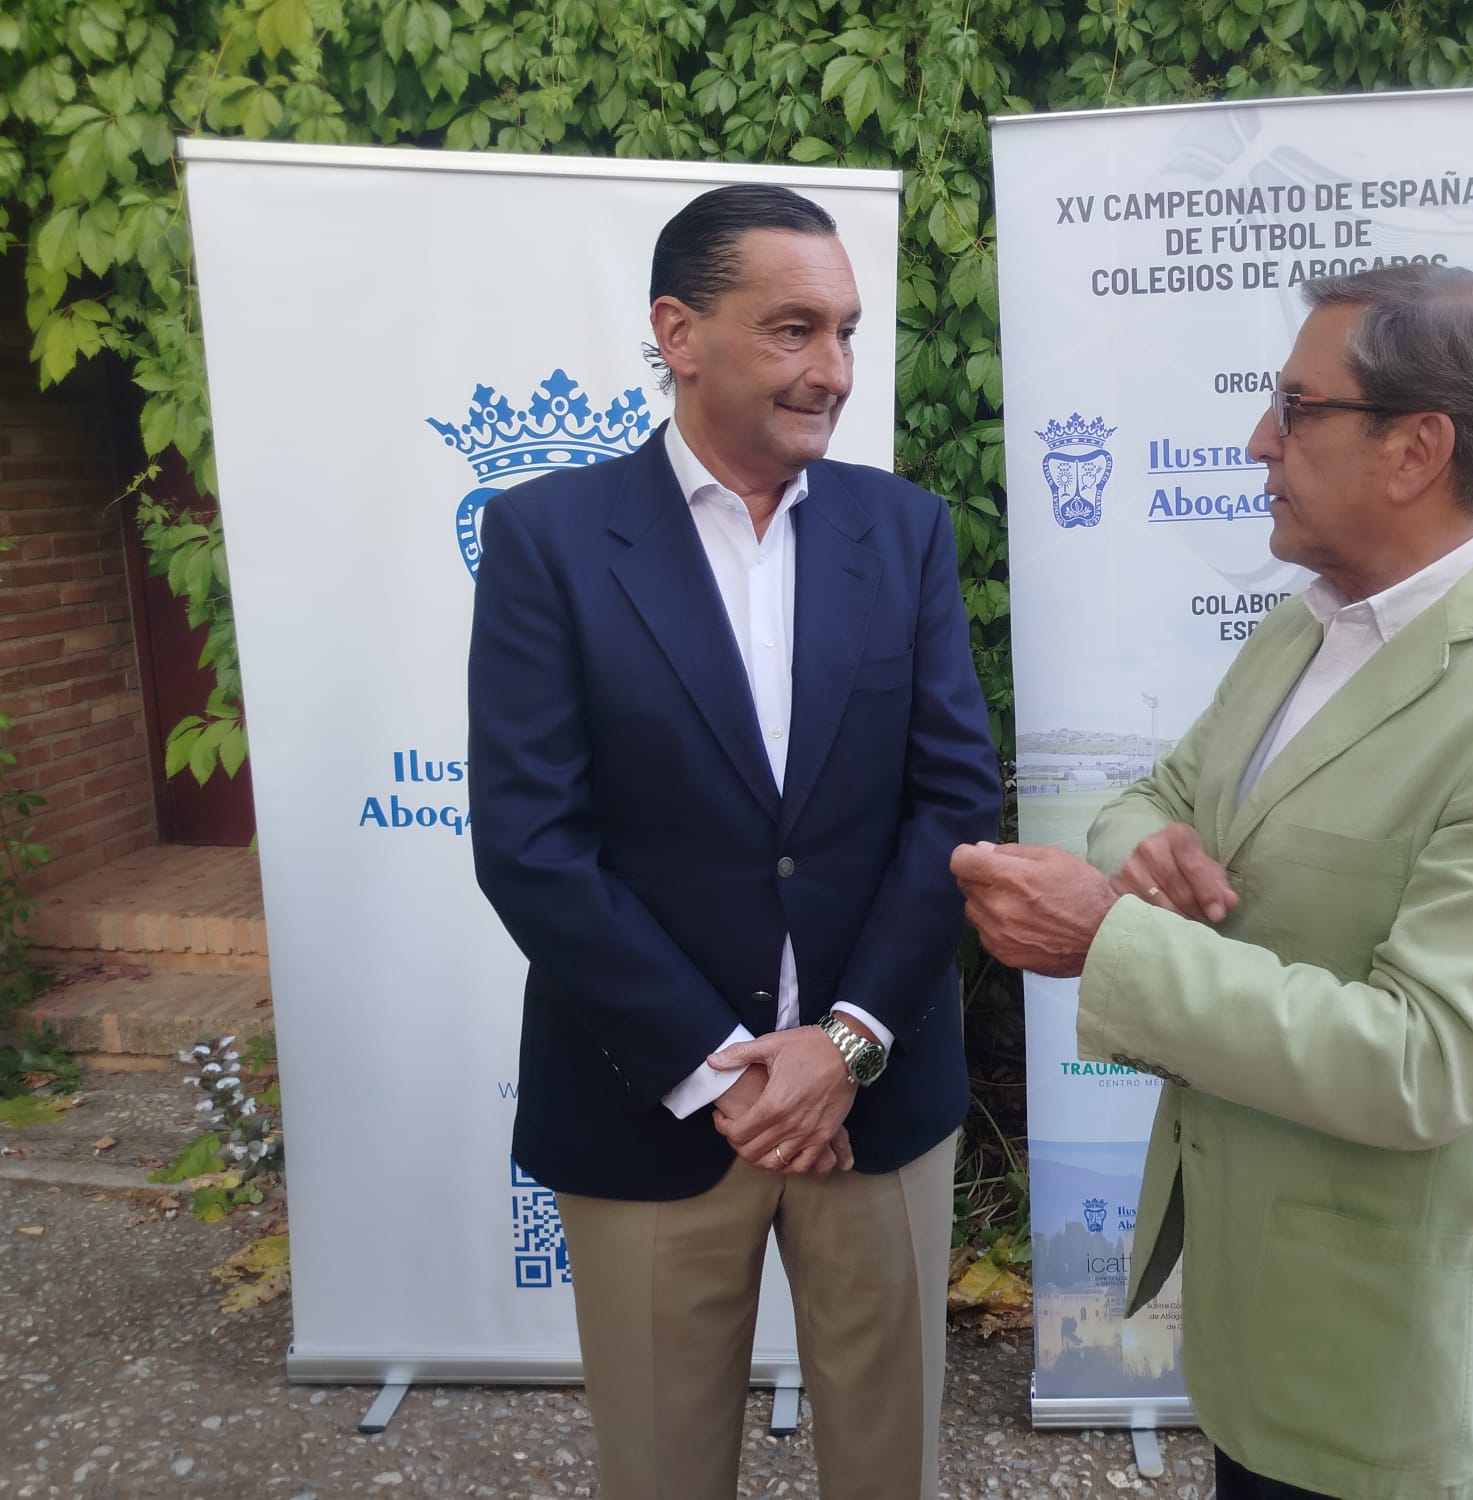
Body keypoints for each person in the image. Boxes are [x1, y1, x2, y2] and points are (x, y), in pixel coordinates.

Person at [953, 262, 1473, 1500]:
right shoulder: (1311, 622)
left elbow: (1424, 1062)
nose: (1254, 442)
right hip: (1251, 1303)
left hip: (1373, 1349)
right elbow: (1161, 796)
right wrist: (1137, 850)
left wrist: (1106, 942)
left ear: (1415, 449)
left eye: (1295, 407)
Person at [469, 183, 999, 1500]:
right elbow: (532, 837)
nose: (833, 371)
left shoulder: (906, 531)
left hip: (873, 1111)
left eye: (846, 333)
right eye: (793, 330)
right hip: (648, 1109)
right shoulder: (548, 538)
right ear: (679, 331)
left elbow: (952, 802)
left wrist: (846, 1044)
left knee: (891, 1471)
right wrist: (724, 1072)